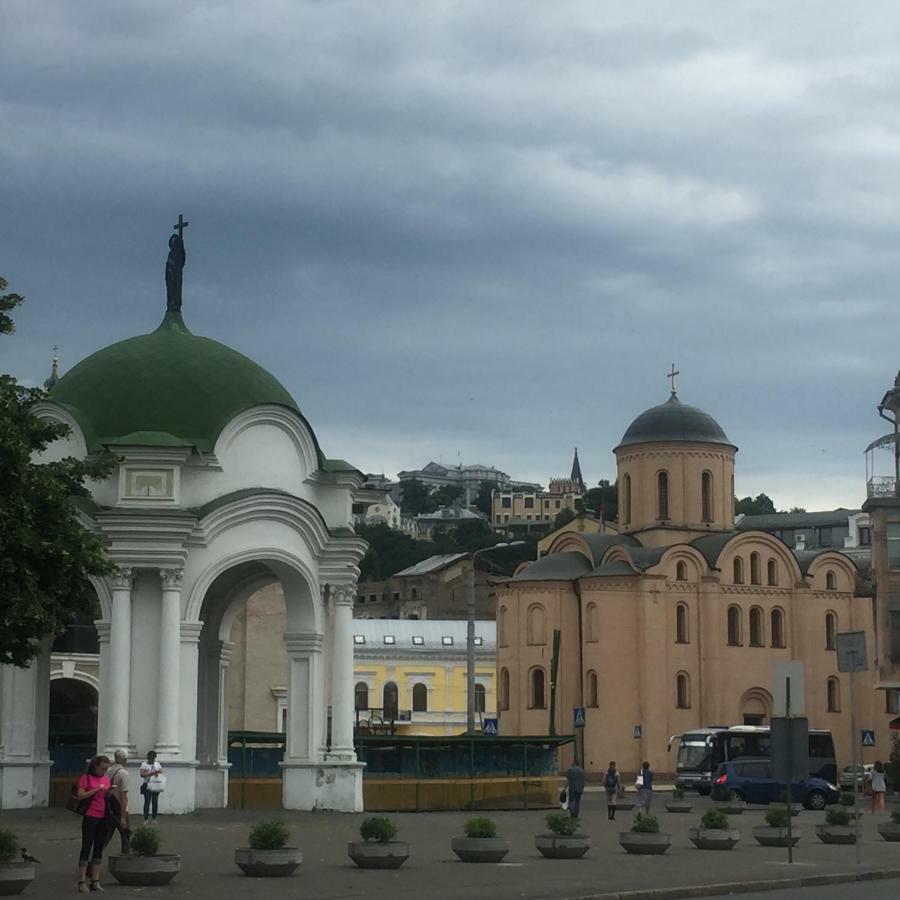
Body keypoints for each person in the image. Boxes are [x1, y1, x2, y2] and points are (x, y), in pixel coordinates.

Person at [76, 755, 111, 894]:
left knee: (98, 848)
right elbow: (80, 795)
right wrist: (95, 790)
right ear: (95, 766)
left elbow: (107, 795)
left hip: (103, 816)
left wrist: (108, 792)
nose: (104, 771)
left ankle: (95, 880)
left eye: (106, 769)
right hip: (90, 816)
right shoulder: (86, 778)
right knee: (86, 846)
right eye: (103, 768)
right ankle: (82, 880)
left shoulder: (106, 779)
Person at [106, 749, 131, 854]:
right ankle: (126, 857)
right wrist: (123, 817)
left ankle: (93, 858)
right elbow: (123, 797)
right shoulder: (123, 774)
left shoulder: (108, 771)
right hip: (120, 808)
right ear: (124, 760)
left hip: (108, 808)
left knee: (106, 836)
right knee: (125, 835)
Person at [139, 751, 163, 824]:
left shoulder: (157, 764)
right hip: (147, 785)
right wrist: (152, 773)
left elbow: (161, 772)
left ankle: (154, 818)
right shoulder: (144, 764)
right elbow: (142, 774)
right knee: (147, 801)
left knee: (155, 802)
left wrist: (157, 773)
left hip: (155, 785)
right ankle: (146, 818)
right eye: (151, 759)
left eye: (153, 759)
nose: (152, 760)